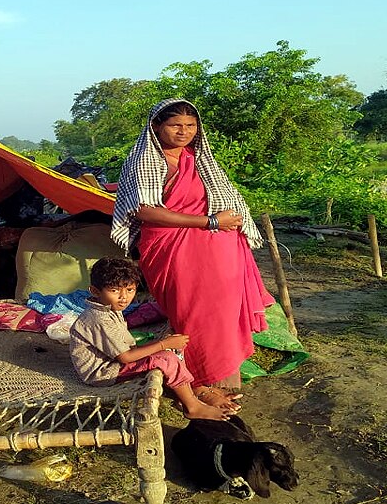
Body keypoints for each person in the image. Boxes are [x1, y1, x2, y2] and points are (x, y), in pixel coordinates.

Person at [110, 98, 275, 411]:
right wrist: (211, 222)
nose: (183, 132)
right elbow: (146, 211)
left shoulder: (197, 159)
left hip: (218, 250)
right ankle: (198, 384)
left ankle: (221, 378)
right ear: (156, 126)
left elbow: (222, 196)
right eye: (175, 125)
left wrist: (225, 222)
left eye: (190, 125)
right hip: (171, 248)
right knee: (194, 316)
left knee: (222, 314)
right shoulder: (144, 161)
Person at [69, 258, 234, 420]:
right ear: (95, 291)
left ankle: (189, 393)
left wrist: (164, 345)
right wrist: (163, 344)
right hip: (103, 372)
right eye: (114, 291)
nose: (123, 297)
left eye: (130, 290)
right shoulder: (98, 319)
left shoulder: (109, 307)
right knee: (167, 357)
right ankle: (192, 407)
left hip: (115, 360)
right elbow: (125, 357)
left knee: (173, 349)